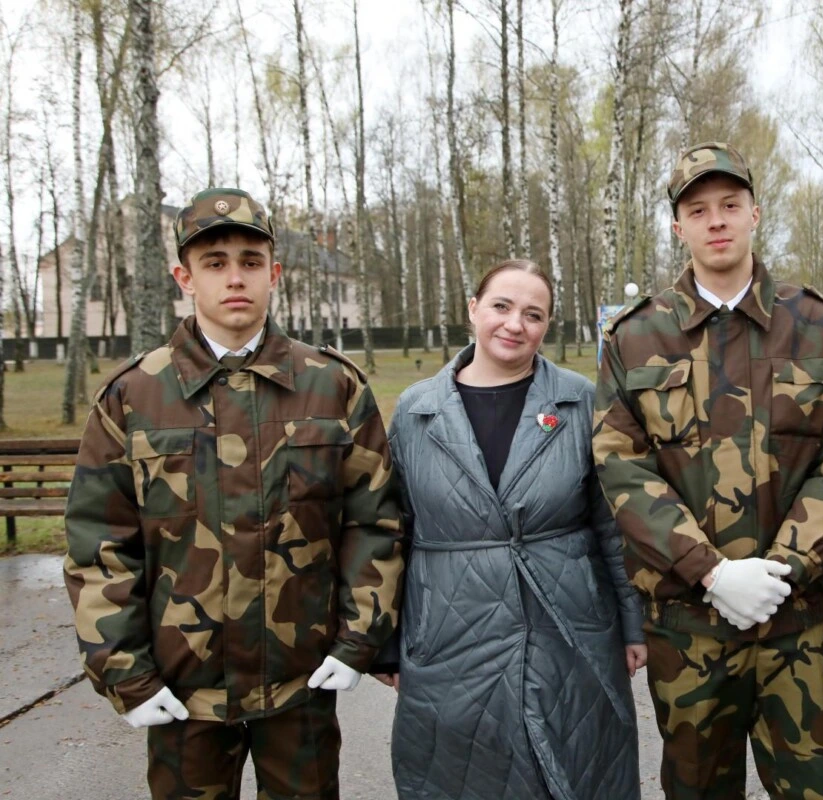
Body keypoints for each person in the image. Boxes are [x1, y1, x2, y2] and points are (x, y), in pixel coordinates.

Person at [63, 188, 406, 800]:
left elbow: (373, 523)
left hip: (300, 687)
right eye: (214, 262)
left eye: (250, 261)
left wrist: (359, 642)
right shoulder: (134, 396)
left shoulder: (332, 388)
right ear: (184, 277)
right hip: (181, 694)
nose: (234, 277)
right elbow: (100, 547)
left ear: (274, 273)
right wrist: (127, 677)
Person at [593, 141, 823, 800]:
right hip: (688, 632)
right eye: (698, 209)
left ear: (754, 213)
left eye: (729, 204)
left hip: (793, 626)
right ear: (678, 226)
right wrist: (712, 572)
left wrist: (782, 570)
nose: (715, 220)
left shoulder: (817, 328)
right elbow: (622, 467)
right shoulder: (636, 337)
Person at [374, 259, 646, 800]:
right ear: (473, 309)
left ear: (547, 327)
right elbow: (389, 532)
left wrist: (633, 625)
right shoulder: (415, 411)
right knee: (458, 776)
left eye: (533, 314)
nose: (514, 324)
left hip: (567, 628)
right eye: (501, 306)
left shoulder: (579, 401)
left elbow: (612, 524)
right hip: (449, 633)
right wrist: (385, 643)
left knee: (577, 770)